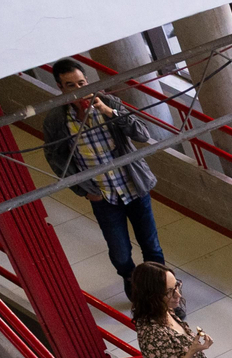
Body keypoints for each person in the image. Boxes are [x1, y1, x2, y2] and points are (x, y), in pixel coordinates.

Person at [42, 60, 163, 296]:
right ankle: (132, 281)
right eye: (70, 86)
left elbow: (142, 133)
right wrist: (85, 191)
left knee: (151, 245)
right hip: (103, 196)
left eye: (82, 83)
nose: (79, 90)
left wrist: (108, 111)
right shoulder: (57, 120)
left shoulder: (108, 102)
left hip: (133, 187)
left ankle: (161, 289)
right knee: (119, 251)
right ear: (60, 88)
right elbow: (55, 158)